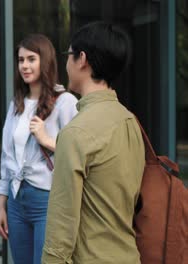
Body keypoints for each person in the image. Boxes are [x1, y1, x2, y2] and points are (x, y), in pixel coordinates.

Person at [42, 22, 145, 263]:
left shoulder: (75, 132)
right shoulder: (130, 122)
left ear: (82, 60)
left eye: (69, 55)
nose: (66, 64)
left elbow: (61, 225)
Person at [0, 34, 78, 264]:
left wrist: (47, 139)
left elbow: (78, 154)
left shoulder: (65, 102)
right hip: (15, 199)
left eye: (31, 59)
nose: (24, 66)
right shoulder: (16, 103)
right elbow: (6, 158)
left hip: (47, 200)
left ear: (46, 60)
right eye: (21, 60)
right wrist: (2, 205)